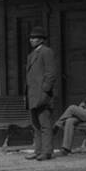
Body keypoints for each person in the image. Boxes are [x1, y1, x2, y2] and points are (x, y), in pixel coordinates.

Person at [25, 27, 59, 161]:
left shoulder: (46, 52)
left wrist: (45, 90)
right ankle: (38, 150)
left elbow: (51, 73)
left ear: (41, 40)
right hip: (32, 94)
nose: (31, 40)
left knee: (45, 123)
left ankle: (47, 151)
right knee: (35, 124)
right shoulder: (32, 54)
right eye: (31, 38)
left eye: (34, 38)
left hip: (43, 94)